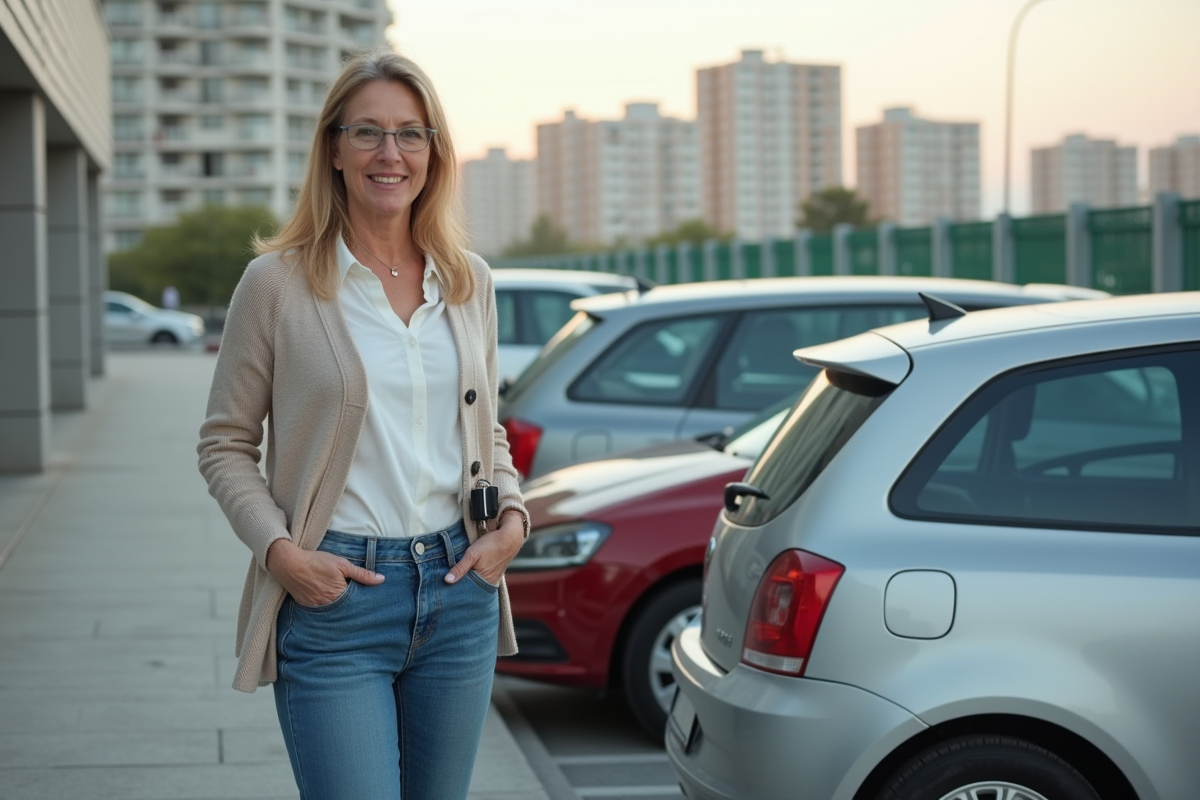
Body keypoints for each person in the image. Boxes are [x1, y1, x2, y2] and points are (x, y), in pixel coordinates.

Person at [197, 48, 529, 800]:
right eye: (369, 133)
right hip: (337, 596)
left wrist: (511, 515)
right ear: (334, 150)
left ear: (434, 153)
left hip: (459, 588)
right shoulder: (278, 283)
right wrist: (281, 553)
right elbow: (224, 444)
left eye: (412, 134)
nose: (391, 154)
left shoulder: (468, 280)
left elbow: (487, 432)